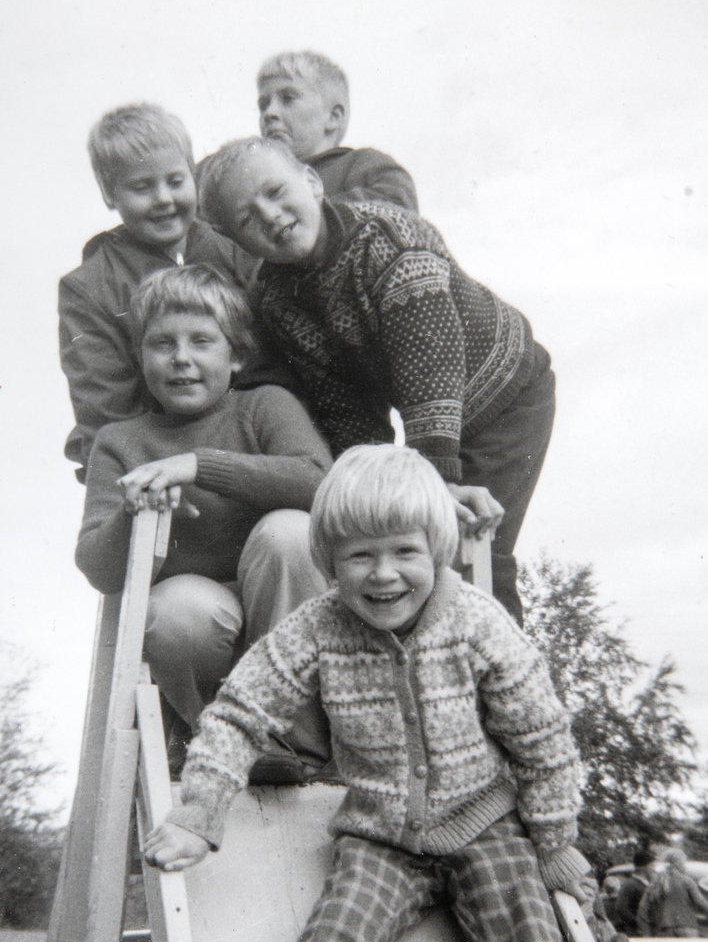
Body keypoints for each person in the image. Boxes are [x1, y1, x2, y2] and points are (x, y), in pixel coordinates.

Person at [144, 444, 644, 942]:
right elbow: (239, 711)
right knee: (335, 940)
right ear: (328, 560)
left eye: (404, 551)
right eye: (359, 555)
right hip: (379, 836)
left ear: (437, 548)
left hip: (486, 827)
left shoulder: (476, 623)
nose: (382, 574)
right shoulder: (317, 628)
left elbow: (541, 734)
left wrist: (555, 837)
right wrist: (201, 810)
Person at [199, 136, 555, 624]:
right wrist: (371, 484)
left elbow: (431, 363)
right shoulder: (279, 301)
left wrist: (435, 482)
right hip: (428, 405)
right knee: (394, 536)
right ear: (236, 242)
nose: (271, 215)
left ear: (312, 181)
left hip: (505, 391)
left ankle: (499, 668)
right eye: (247, 218)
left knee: (466, 540)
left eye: (276, 192)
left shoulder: (389, 236)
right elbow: (346, 404)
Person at [76, 264, 332, 772]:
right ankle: (226, 740)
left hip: (284, 610)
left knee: (290, 533)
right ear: (140, 356)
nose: (181, 359)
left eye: (201, 341)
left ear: (235, 355)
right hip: (202, 636)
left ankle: (296, 741)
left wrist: (199, 466)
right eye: (162, 343)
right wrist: (133, 512)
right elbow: (97, 568)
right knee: (173, 611)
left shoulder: (265, 406)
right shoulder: (120, 442)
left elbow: (320, 483)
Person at [59, 103, 255, 481]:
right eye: (142, 187)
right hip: (152, 457)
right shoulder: (89, 286)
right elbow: (105, 408)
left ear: (193, 176)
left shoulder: (234, 251)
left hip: (246, 442)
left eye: (175, 181)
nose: (163, 198)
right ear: (109, 194)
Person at [256, 50, 418, 210]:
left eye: (288, 99)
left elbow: (397, 205)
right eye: (263, 105)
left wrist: (311, 214)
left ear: (333, 117)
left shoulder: (363, 164)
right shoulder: (256, 184)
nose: (269, 113)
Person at [637, 848, 708, 938]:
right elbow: (701, 903)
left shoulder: (655, 883)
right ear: (679, 864)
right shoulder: (686, 881)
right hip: (688, 928)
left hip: (663, 930)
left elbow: (642, 910)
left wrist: (646, 934)